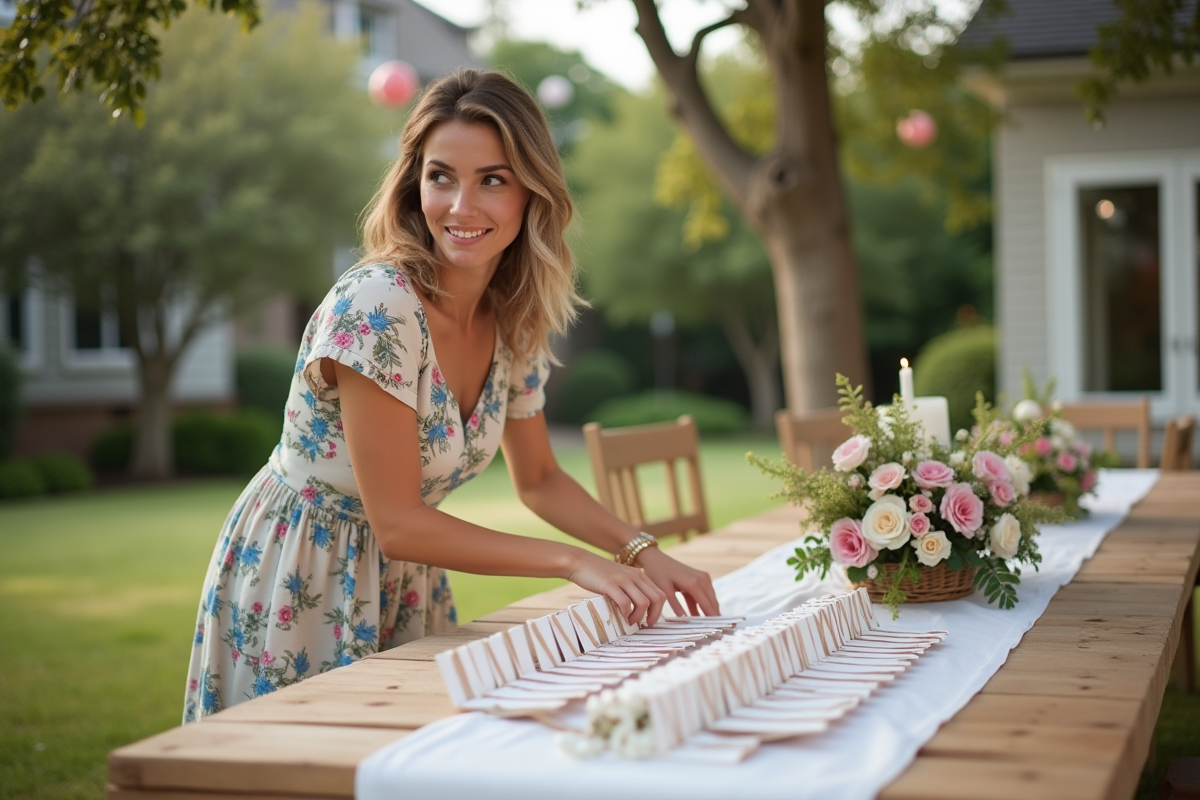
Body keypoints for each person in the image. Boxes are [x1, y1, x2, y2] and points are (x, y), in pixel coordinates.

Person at [183, 69, 719, 722]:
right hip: (305, 577)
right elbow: (399, 523)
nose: (461, 207)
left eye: (492, 180)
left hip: (409, 580)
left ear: (532, 192)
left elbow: (540, 478)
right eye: (442, 177)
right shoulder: (378, 306)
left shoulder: (513, 318)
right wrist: (574, 562)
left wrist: (642, 551)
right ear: (416, 183)